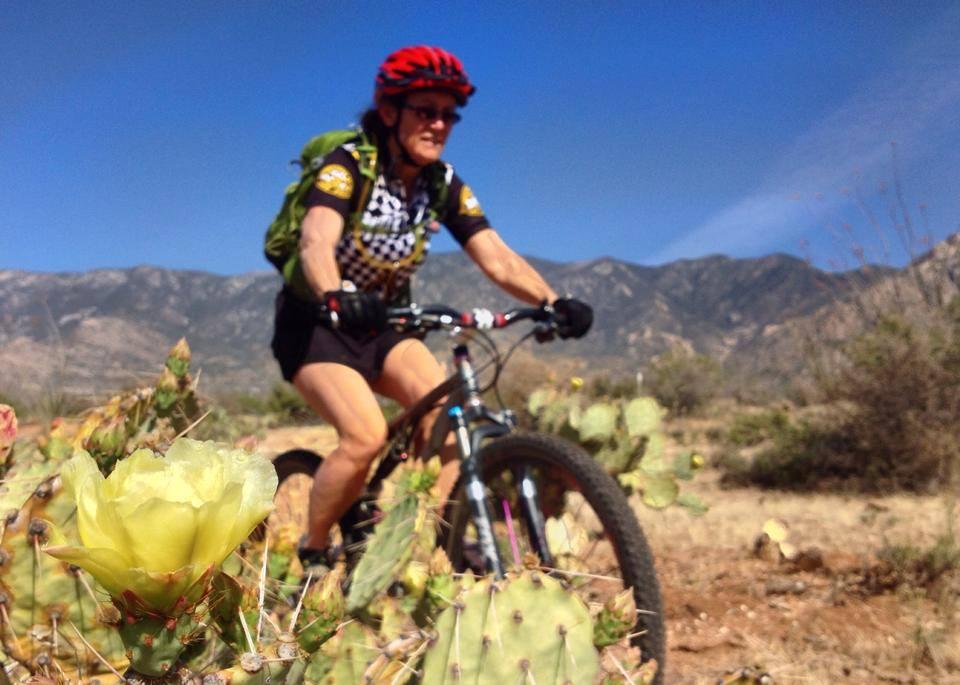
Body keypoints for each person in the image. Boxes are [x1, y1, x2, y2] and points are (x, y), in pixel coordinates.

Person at [270, 46, 593, 568]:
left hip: (387, 323)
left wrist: (552, 301)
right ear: (391, 110)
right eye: (427, 111)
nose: (439, 124)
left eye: (449, 114)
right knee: (365, 436)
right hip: (318, 325)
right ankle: (312, 548)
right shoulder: (347, 166)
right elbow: (316, 241)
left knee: (447, 416)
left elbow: (496, 256)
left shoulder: (442, 183)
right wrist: (336, 293)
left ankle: (446, 546)